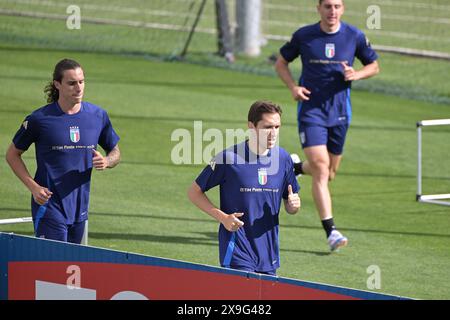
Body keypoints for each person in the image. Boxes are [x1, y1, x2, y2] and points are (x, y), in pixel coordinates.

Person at [274, 0, 379, 251]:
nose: (332, 11)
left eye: (337, 6)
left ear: (343, 9)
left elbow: (374, 66)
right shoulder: (304, 36)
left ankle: (295, 167)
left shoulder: (354, 36)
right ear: (318, 8)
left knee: (329, 173)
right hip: (311, 111)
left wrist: (356, 74)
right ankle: (331, 231)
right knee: (321, 168)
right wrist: (293, 88)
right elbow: (281, 63)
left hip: (340, 113)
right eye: (328, 6)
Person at [5, 58, 120, 244]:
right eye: (72, 83)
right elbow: (12, 154)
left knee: (73, 266)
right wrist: (34, 187)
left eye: (81, 82)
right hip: (49, 206)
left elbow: (115, 151)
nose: (79, 88)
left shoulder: (97, 116)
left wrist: (107, 161)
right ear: (57, 84)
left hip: (80, 208)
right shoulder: (39, 119)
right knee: (54, 266)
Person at [187, 101, 301, 275]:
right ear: (251, 126)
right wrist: (223, 218)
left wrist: (293, 206)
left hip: (269, 253)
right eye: (267, 127)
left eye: (277, 127)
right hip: (237, 250)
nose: (273, 133)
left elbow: (290, 202)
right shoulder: (229, 159)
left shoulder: (283, 158)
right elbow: (194, 192)